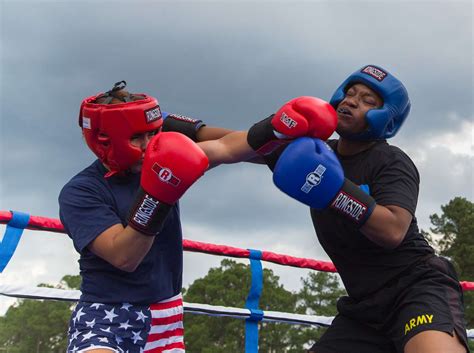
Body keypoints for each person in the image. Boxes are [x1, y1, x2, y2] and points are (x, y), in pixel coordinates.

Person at [59, 80, 337, 353]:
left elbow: (227, 147)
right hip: (106, 317)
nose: (148, 145)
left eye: (152, 134)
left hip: (165, 316)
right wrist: (158, 194)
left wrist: (276, 128)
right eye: (136, 138)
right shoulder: (81, 192)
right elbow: (124, 257)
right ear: (105, 141)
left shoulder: (164, 155)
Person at [247, 65, 470, 353]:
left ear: (384, 117)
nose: (352, 101)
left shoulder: (390, 161)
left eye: (367, 101)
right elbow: (235, 146)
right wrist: (186, 128)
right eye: (350, 93)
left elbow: (393, 230)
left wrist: (335, 190)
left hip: (416, 289)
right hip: (364, 311)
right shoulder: (313, 154)